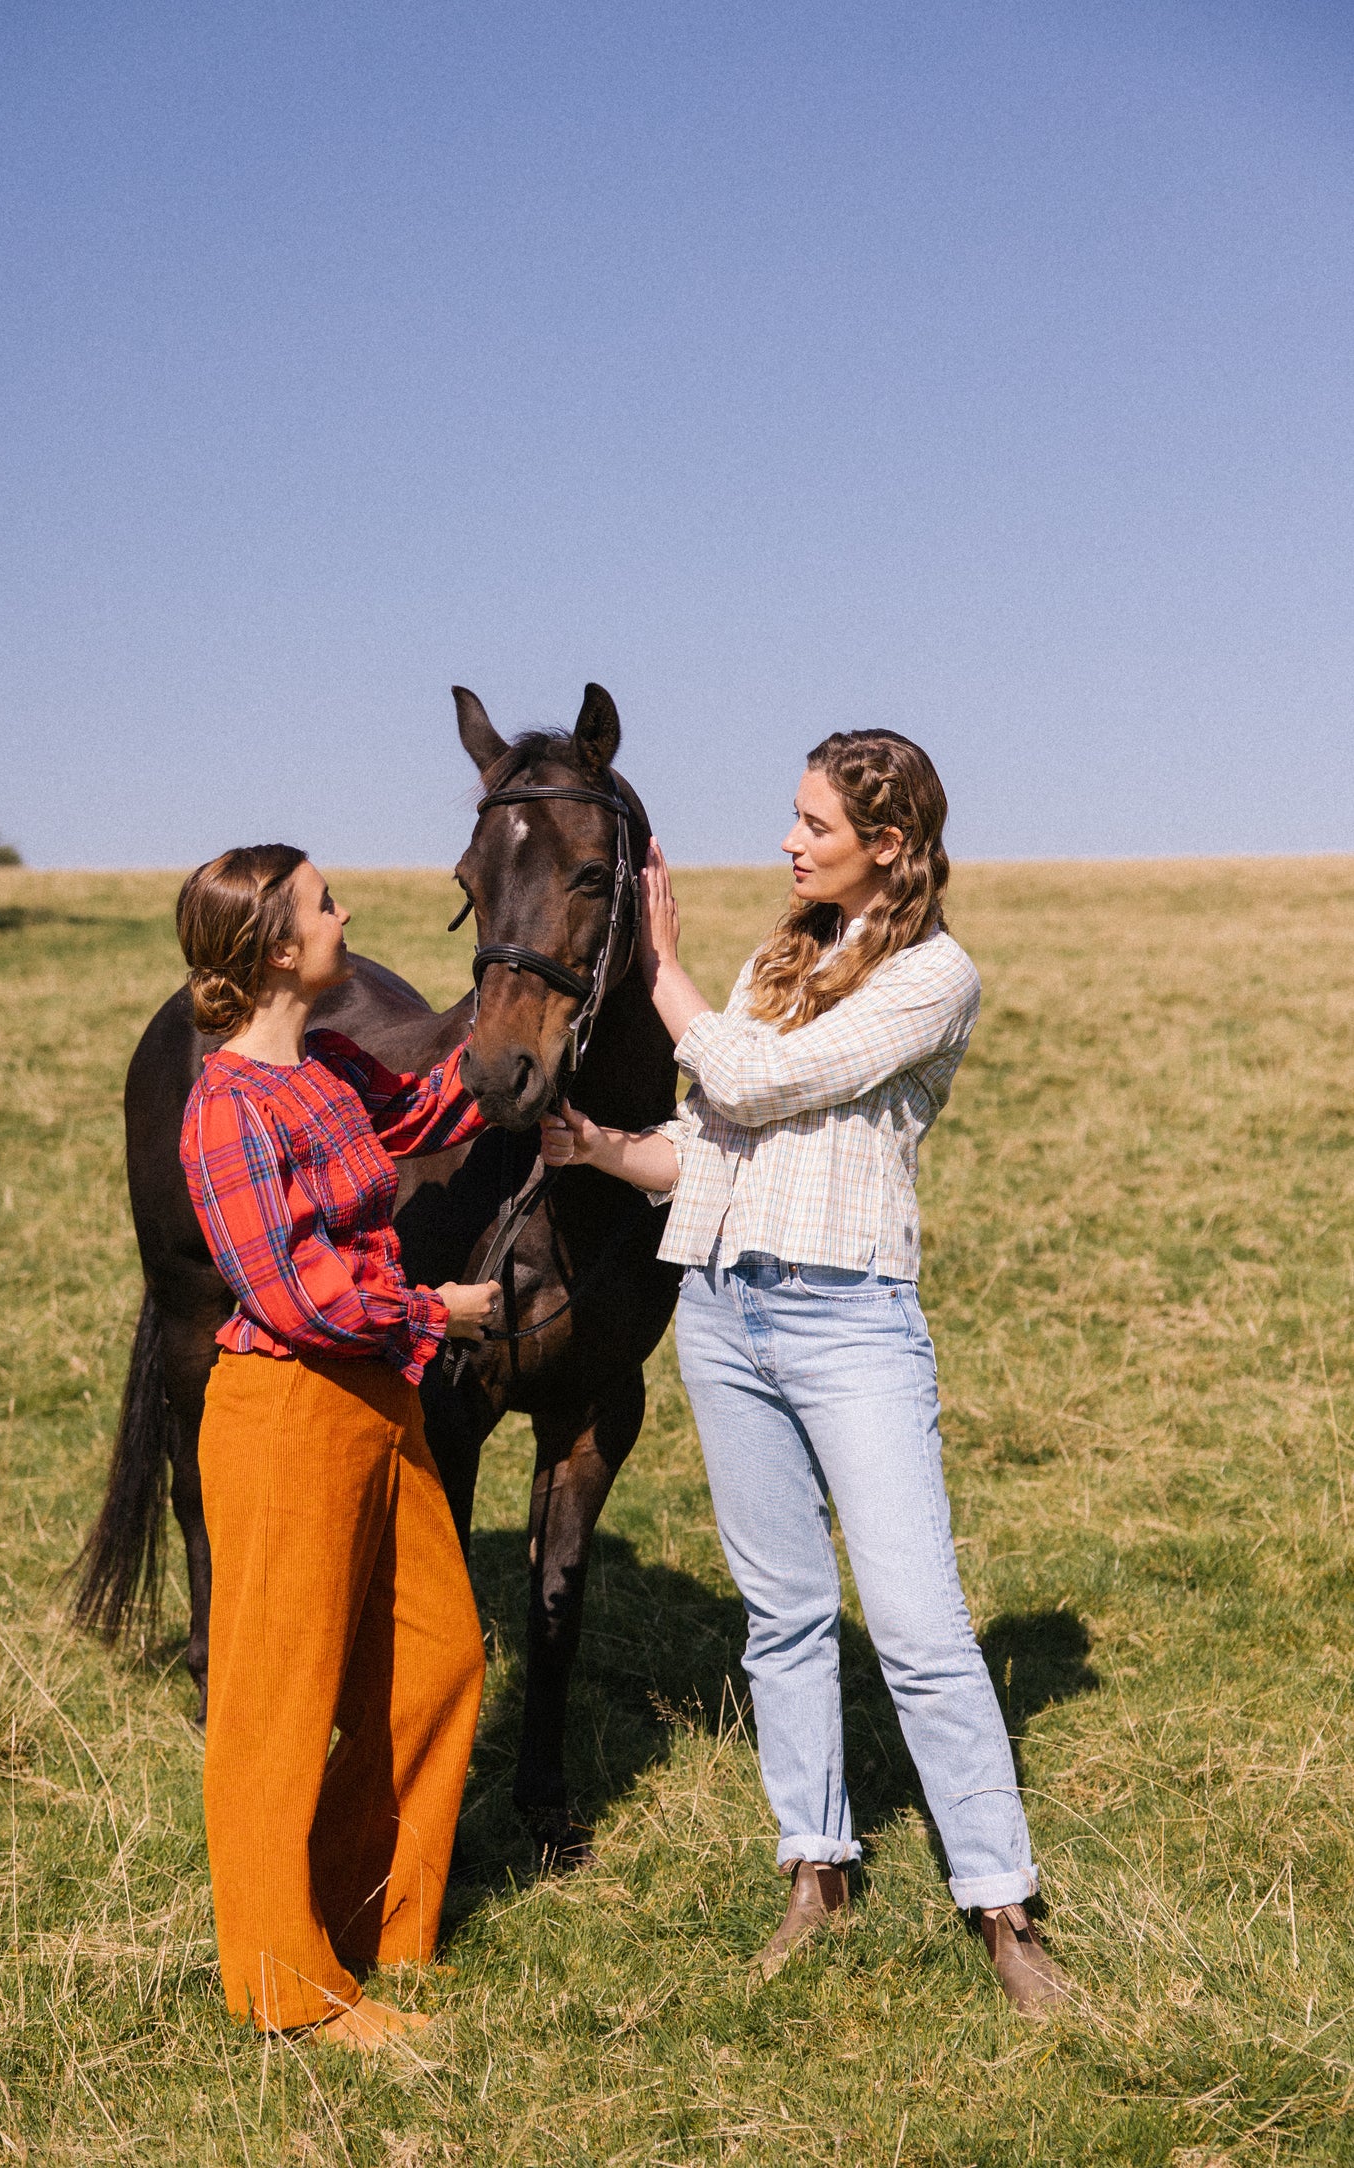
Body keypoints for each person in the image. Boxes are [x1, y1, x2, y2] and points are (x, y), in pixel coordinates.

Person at [540, 732, 1071, 2015]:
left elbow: (755, 1075)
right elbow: (716, 1144)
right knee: (778, 1616)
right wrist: (604, 1147)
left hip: (848, 1322)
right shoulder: (778, 957)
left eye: (810, 823)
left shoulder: (935, 977)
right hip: (723, 1309)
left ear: (886, 844)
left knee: (918, 1625)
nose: (785, 840)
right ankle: (814, 1869)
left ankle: (1001, 1903)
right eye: (790, 817)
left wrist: (661, 970)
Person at [176, 843, 503, 2050]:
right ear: (274, 946)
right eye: (323, 904)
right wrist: (436, 1310)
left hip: (376, 1405)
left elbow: (430, 1107)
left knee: (438, 1659)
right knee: (276, 1702)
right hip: (287, 1412)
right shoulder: (226, 1108)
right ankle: (286, 1990)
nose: (344, 913)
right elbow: (294, 1293)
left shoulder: (325, 1066)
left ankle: (369, 1926)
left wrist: (529, 1006)